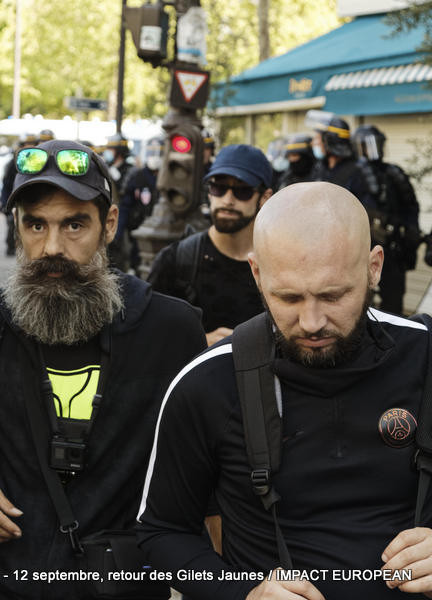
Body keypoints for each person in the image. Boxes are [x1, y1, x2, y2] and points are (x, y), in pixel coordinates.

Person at [0, 139, 207, 599]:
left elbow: (208, 468)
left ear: (109, 224)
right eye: (35, 225)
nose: (52, 247)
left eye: (74, 224)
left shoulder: (171, 330)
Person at [137, 181, 432, 600]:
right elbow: (161, 530)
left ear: (374, 267)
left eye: (334, 295)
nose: (311, 322)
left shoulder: (426, 356)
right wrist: (242, 593)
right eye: (288, 297)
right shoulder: (208, 382)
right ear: (257, 274)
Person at [148, 144, 273, 346]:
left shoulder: (278, 263)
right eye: (219, 188)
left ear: (264, 198)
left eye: (242, 191)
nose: (227, 200)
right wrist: (198, 341)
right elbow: (147, 337)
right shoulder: (176, 261)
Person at [351, 125, 421, 315]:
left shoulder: (393, 173)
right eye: (368, 145)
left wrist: (410, 232)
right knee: (360, 299)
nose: (374, 150)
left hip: (392, 246)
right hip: (361, 246)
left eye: (378, 144)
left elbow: (411, 205)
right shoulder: (351, 174)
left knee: (394, 299)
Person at [112, 136, 164, 273]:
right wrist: (117, 231)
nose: (154, 156)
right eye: (151, 152)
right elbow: (125, 206)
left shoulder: (168, 177)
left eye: (158, 152)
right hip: (138, 231)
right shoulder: (138, 176)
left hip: (162, 233)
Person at [306, 110, 365, 194]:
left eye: (317, 138)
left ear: (330, 141)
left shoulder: (356, 172)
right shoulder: (319, 168)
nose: (312, 143)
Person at [0, 133, 38, 256]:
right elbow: (6, 184)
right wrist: (5, 204)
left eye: (33, 144)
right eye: (27, 144)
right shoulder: (14, 163)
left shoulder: (40, 161)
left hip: (34, 202)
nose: (30, 147)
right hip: (17, 201)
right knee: (14, 226)